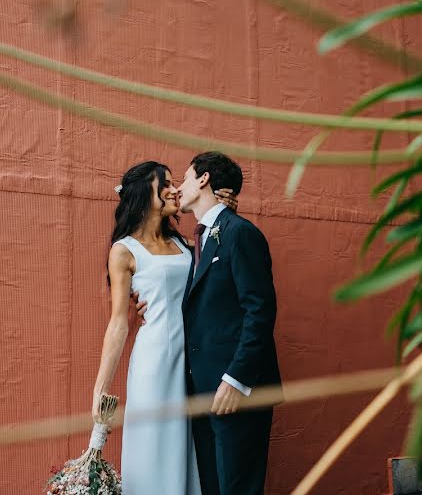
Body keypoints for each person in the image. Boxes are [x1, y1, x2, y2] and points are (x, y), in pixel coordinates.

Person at [90, 160, 235, 495]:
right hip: (154, 362)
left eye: (174, 182)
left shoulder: (187, 244)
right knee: (155, 449)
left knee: (189, 452)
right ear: (145, 192)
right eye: (165, 184)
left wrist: (225, 210)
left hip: (192, 363)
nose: (174, 190)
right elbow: (118, 324)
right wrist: (100, 388)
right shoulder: (124, 250)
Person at [151, 151, 281, 495]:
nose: (179, 187)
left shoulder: (240, 233)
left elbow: (260, 311)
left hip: (236, 390)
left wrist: (236, 380)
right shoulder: (197, 241)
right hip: (202, 389)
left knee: (237, 487)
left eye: (185, 177)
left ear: (204, 179)